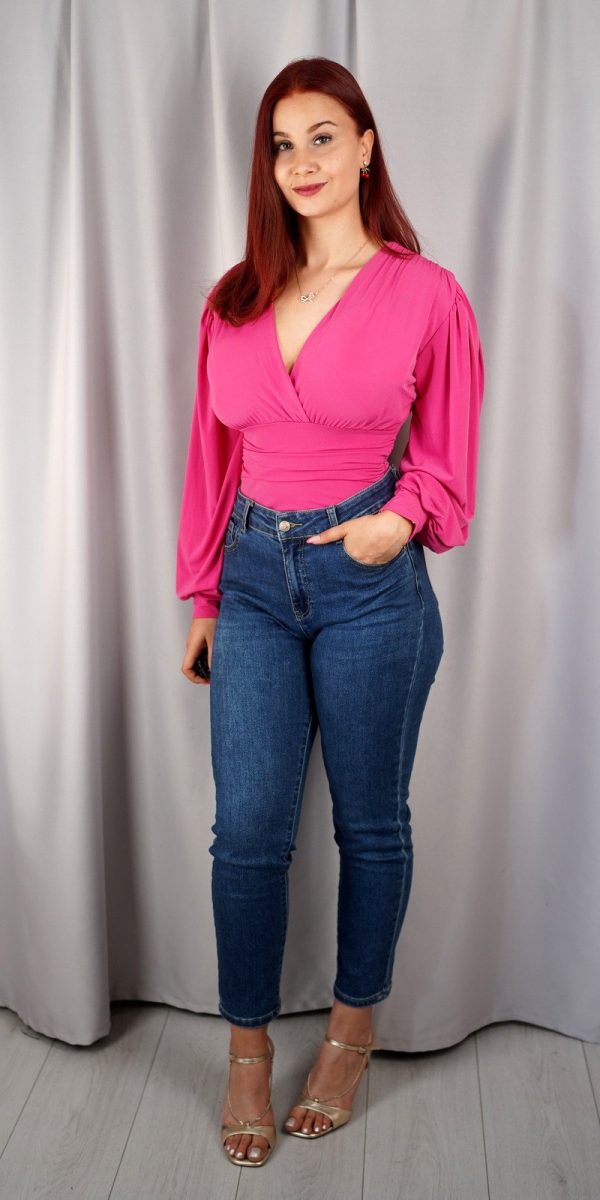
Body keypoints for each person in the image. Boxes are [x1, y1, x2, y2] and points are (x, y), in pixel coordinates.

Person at [175, 56, 485, 1167]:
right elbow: (212, 459)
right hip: (253, 582)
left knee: (371, 823)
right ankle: (247, 1048)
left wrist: (396, 522)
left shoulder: (425, 292)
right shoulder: (235, 297)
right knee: (247, 831)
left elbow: (448, 455)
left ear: (364, 147)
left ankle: (353, 1031)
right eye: (281, 144)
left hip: (369, 586)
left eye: (321, 137)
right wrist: (206, 593)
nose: (301, 162)